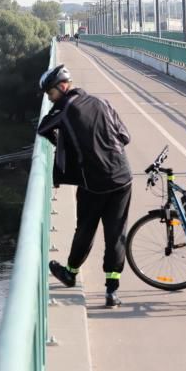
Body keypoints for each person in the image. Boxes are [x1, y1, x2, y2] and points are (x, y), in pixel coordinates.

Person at [37, 64, 133, 308]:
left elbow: (43, 128)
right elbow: (125, 137)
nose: (49, 98)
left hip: (94, 182)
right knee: (116, 234)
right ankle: (111, 292)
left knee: (85, 229)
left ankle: (70, 273)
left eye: (50, 93)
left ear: (62, 87)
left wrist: (63, 141)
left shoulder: (64, 108)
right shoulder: (102, 102)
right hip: (122, 176)